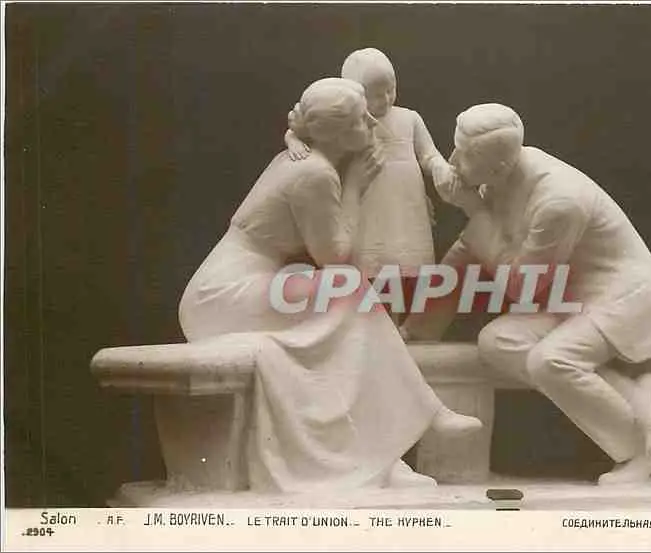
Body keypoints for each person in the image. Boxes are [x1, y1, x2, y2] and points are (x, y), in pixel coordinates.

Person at [179, 78, 480, 494]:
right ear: (335, 133)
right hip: (225, 293)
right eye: (360, 119)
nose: (373, 122)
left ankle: (384, 458)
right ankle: (425, 415)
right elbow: (336, 259)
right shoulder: (315, 173)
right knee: (348, 290)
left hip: (243, 284)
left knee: (345, 331)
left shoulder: (302, 159)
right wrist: (354, 188)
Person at [403, 103, 651, 485]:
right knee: (498, 341)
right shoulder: (503, 176)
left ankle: (640, 446)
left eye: (463, 155)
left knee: (551, 361)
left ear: (500, 165)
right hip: (573, 298)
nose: (452, 161)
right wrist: (420, 327)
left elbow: (523, 286)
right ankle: (633, 395)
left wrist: (476, 212)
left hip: (622, 298)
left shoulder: (557, 201)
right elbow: (469, 251)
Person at [285, 48, 455, 323]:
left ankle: (395, 324)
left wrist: (440, 168)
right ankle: (369, 325)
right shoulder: (351, 123)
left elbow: (428, 154)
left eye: (390, 89)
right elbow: (305, 128)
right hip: (368, 199)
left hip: (405, 202)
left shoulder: (410, 118)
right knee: (370, 264)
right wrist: (293, 140)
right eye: (376, 94)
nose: (385, 99)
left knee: (402, 264)